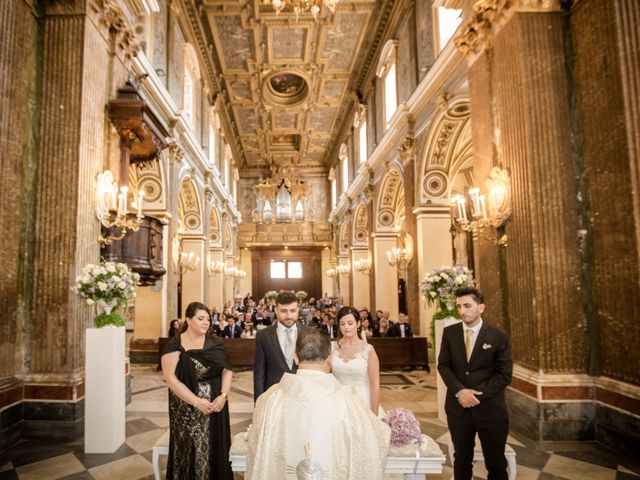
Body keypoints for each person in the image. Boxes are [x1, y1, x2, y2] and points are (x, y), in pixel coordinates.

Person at [247, 329, 390, 480]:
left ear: (295, 357)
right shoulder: (349, 403)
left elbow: (257, 449)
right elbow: (374, 440)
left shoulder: (270, 400)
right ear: (330, 358)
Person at [438, 287, 512, 480]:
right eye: (459, 306)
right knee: (461, 460)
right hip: (458, 408)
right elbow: (443, 366)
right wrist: (460, 391)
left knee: (495, 463)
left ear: (481, 307)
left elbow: (504, 374)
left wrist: (475, 394)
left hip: (490, 409)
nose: (462, 311)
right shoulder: (450, 333)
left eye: (467, 306)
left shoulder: (498, 336)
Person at [161, 302, 233, 479]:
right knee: (188, 448)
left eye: (208, 319)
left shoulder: (215, 342)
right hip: (185, 407)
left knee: (214, 445)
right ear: (188, 319)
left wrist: (223, 396)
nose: (206, 322)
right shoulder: (174, 345)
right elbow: (171, 380)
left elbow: (227, 370)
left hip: (215, 404)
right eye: (200, 318)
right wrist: (196, 401)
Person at [253, 290, 305, 400]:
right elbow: (259, 374)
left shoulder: (309, 333)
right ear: (276, 310)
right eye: (283, 311)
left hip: (303, 395)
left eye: (293, 310)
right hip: (274, 396)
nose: (289, 315)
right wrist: (259, 402)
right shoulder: (263, 336)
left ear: (298, 309)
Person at [330, 306, 383, 416]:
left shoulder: (368, 349)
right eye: (342, 324)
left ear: (358, 324)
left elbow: (374, 385)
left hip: (363, 403)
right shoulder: (332, 347)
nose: (346, 327)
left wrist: (374, 415)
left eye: (350, 323)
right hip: (338, 403)